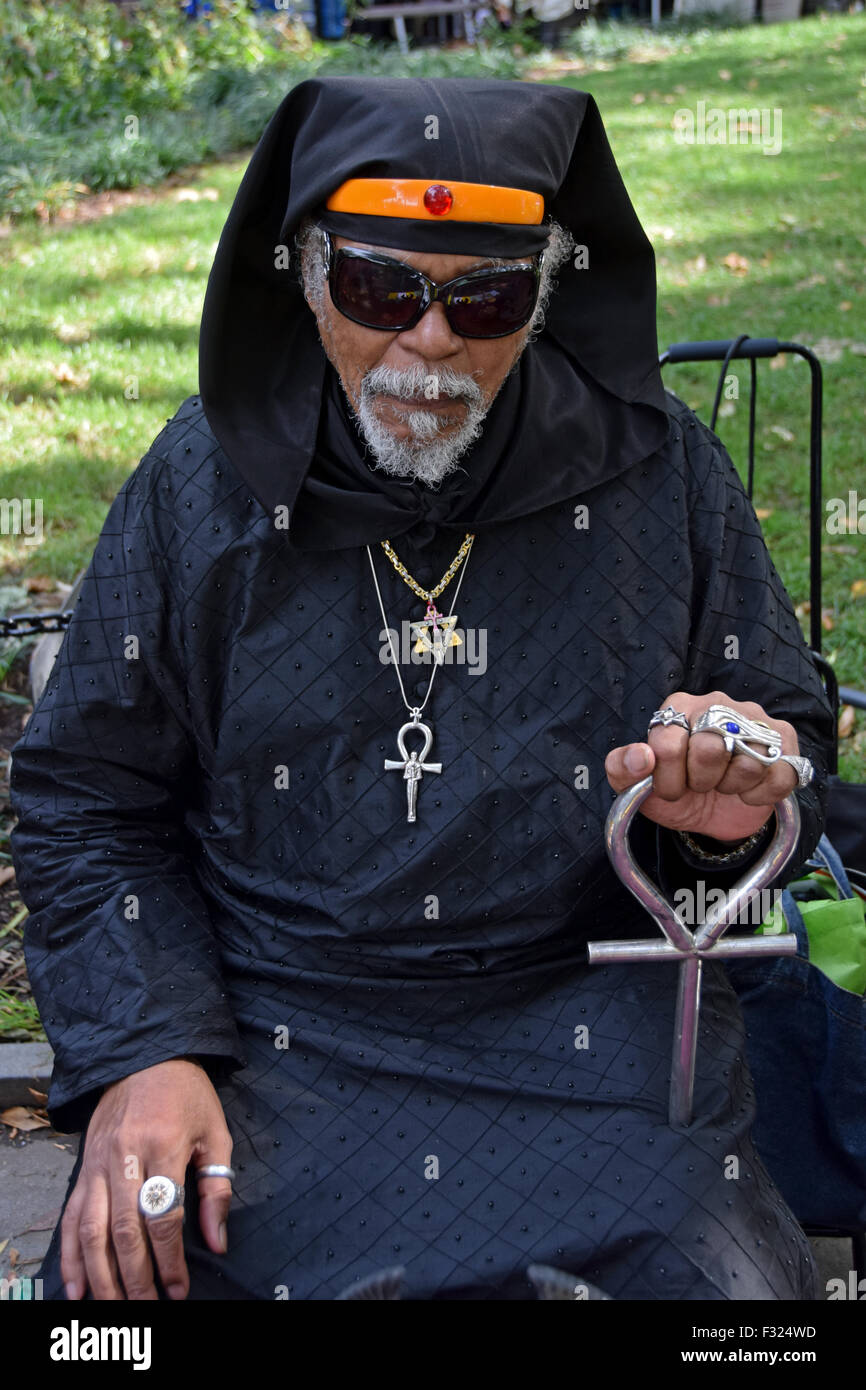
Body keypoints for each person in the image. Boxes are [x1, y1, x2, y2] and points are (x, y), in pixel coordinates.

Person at [10, 76, 834, 1302]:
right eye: (377, 289)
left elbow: (775, 747)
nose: (430, 341)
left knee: (721, 1294)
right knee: (137, 1284)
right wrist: (150, 1049)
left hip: (585, 1019)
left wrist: (722, 824)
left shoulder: (664, 476)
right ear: (303, 270)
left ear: (547, 288)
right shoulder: (199, 483)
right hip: (272, 1027)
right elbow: (88, 801)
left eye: (485, 298)